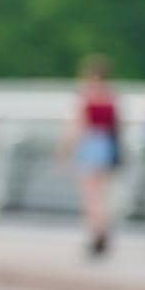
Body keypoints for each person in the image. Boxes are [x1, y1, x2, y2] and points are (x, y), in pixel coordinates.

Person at [57, 53, 121, 257]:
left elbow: (78, 127)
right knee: (103, 194)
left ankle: (96, 233)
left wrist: (64, 150)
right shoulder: (112, 96)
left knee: (90, 195)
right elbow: (117, 127)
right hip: (107, 145)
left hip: (90, 145)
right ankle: (103, 230)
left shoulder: (86, 96)